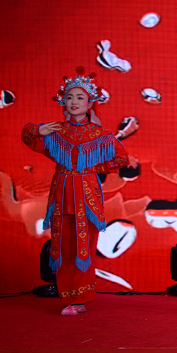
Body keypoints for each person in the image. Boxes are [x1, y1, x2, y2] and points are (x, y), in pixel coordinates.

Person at [22, 66, 131, 316]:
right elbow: (28, 137)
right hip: (61, 192)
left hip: (86, 193)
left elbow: (122, 158)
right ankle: (67, 296)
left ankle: (80, 298)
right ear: (63, 101)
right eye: (69, 97)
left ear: (90, 103)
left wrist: (95, 168)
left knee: (84, 246)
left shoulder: (99, 134)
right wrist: (38, 130)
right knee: (62, 246)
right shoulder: (56, 131)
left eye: (80, 97)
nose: (74, 102)